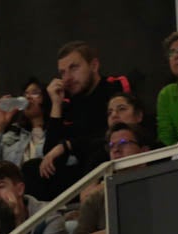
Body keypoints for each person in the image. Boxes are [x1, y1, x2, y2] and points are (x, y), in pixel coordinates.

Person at [37, 41, 121, 196]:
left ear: (94, 66)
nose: (67, 78)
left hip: (109, 163)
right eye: (62, 73)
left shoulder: (114, 89)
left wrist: (68, 145)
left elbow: (109, 135)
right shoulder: (67, 100)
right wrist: (56, 104)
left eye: (74, 68)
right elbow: (50, 154)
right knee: (34, 168)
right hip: (81, 171)